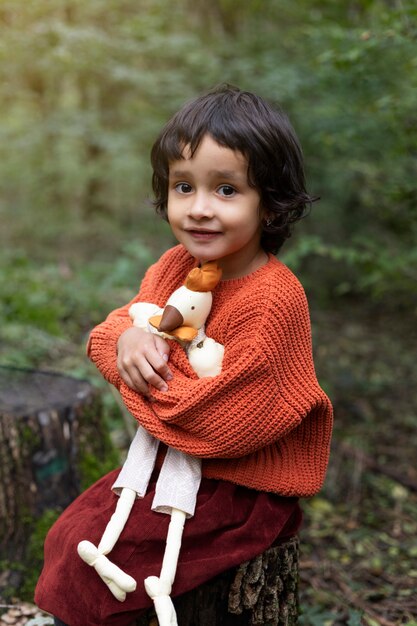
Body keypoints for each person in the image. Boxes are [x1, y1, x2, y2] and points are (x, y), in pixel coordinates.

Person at [35, 84, 333, 626]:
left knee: (107, 576)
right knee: (67, 534)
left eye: (225, 189)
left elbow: (216, 419)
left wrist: (137, 370)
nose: (198, 209)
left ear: (269, 203)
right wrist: (128, 340)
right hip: (169, 463)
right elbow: (115, 330)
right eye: (182, 186)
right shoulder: (177, 265)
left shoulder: (273, 298)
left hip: (239, 488)